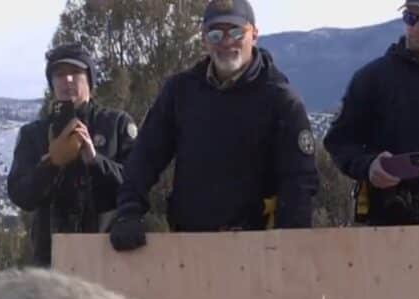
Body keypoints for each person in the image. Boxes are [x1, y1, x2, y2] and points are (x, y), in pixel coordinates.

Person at [109, 0, 318, 252]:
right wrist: (128, 211)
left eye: (236, 32)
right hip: (189, 246)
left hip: (259, 249)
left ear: (254, 35)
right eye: (216, 33)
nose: (226, 41)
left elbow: (299, 182)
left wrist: (289, 247)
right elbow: (144, 157)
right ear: (204, 39)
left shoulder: (282, 100)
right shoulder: (179, 92)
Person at [324, 0, 419, 299]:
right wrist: (368, 166)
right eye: (409, 18)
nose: (414, 27)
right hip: (396, 225)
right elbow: (339, 141)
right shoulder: (373, 79)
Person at [7, 42, 139, 266]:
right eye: (59, 74)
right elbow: (20, 194)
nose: (67, 80)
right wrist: (51, 164)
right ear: (51, 84)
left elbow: (137, 184)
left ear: (89, 79)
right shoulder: (33, 134)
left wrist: (95, 161)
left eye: (75, 72)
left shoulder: (116, 124)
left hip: (109, 259)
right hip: (50, 261)